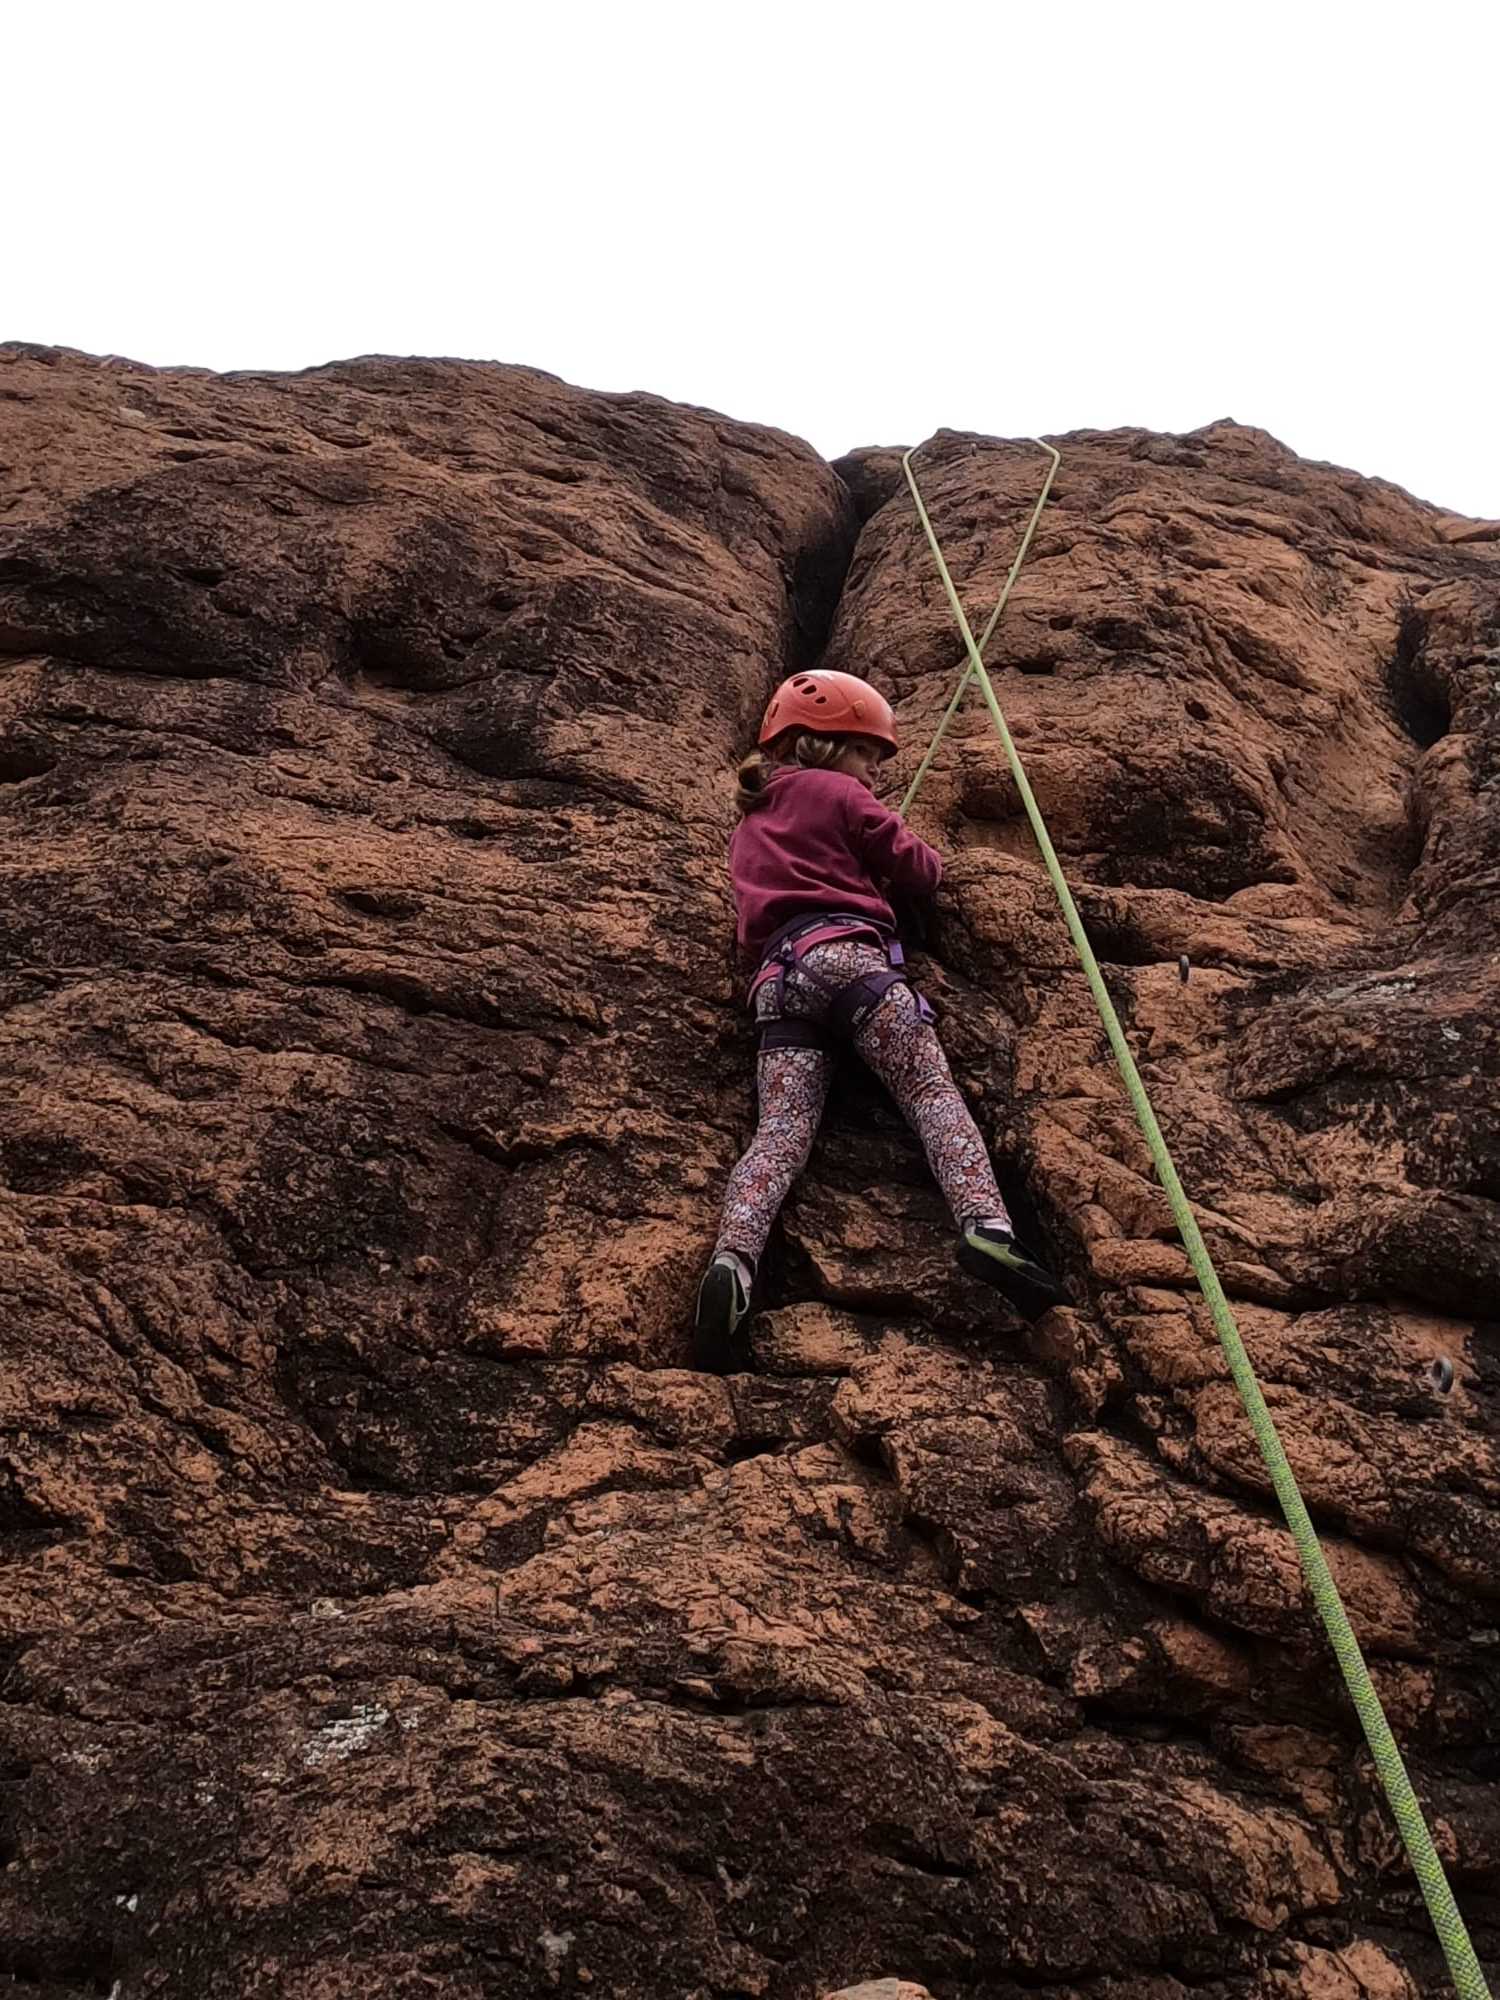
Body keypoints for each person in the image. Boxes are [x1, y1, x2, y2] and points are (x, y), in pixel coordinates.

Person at [694, 668, 1067, 1373]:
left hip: (777, 984)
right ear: (824, 745)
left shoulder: (747, 827)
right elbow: (919, 867)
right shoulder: (839, 792)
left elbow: (752, 923)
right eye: (866, 752)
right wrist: (904, 868)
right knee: (928, 1090)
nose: (875, 770)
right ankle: (988, 1227)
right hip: (850, 965)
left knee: (780, 1133)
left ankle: (733, 1261)